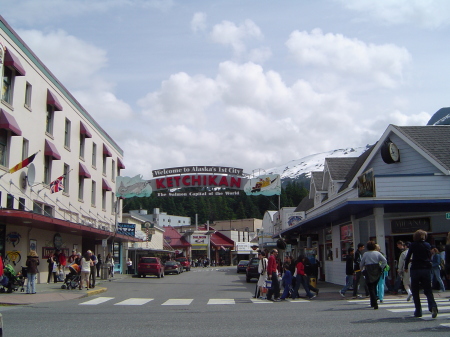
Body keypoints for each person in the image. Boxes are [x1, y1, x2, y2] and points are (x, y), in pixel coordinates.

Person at [404, 229, 438, 318]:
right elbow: (428, 255)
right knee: (428, 289)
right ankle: (433, 306)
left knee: (415, 290)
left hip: (415, 268)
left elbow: (408, 256)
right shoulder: (427, 245)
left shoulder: (413, 245)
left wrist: (406, 267)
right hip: (426, 268)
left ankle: (418, 311)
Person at [360, 241, 387, 310]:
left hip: (368, 270)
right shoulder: (378, 253)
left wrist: (362, 270)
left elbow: (361, 263)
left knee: (370, 287)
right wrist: (381, 267)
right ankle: (373, 301)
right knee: (374, 286)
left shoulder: (365, 254)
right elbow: (384, 261)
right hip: (376, 269)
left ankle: (374, 303)